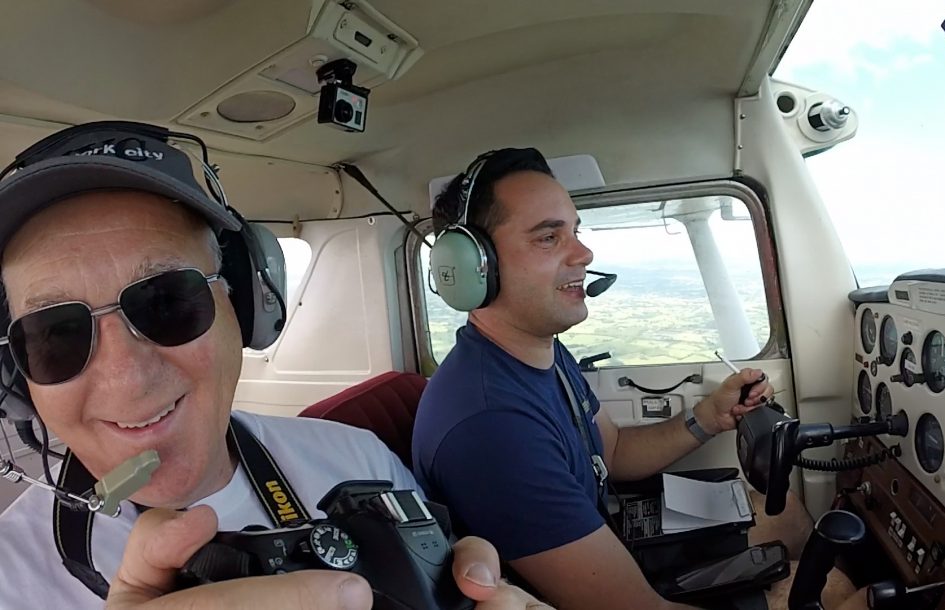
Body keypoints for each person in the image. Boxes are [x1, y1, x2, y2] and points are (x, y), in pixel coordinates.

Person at [0, 122, 544, 609]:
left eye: (167, 301)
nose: (127, 377)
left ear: (247, 305)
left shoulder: (358, 460)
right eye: (57, 334)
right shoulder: (10, 575)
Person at [413, 148, 866, 610]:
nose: (584, 253)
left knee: (784, 512)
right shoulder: (492, 426)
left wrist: (708, 417)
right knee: (839, 593)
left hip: (609, 538)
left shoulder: (540, 352)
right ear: (473, 267)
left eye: (575, 231)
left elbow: (612, 453)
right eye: (549, 237)